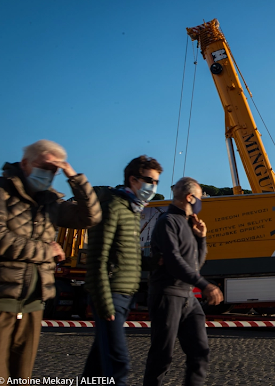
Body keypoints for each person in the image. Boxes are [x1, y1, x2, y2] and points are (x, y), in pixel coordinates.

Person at [0, 140, 101, 380]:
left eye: (54, 170)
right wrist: (46, 250)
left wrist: (73, 176)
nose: (48, 174)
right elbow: (1, 238)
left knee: (22, 375)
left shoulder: (51, 202)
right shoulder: (1, 191)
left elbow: (91, 217)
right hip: (2, 299)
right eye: (43, 166)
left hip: (34, 301)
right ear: (24, 163)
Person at [83, 155, 163, 385]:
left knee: (97, 365)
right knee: (118, 364)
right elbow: (97, 258)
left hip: (125, 296)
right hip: (111, 296)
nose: (153, 187)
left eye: (156, 182)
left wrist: (154, 262)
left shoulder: (131, 210)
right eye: (149, 180)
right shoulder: (113, 208)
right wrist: (104, 302)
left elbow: (127, 256)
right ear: (133, 180)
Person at [143, 177, 223, 386]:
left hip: (188, 298)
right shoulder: (167, 222)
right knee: (162, 356)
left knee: (200, 351)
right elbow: (173, 261)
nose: (201, 202)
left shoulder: (190, 225)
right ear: (189, 197)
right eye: (200, 198)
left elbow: (196, 263)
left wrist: (201, 238)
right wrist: (205, 285)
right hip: (167, 295)